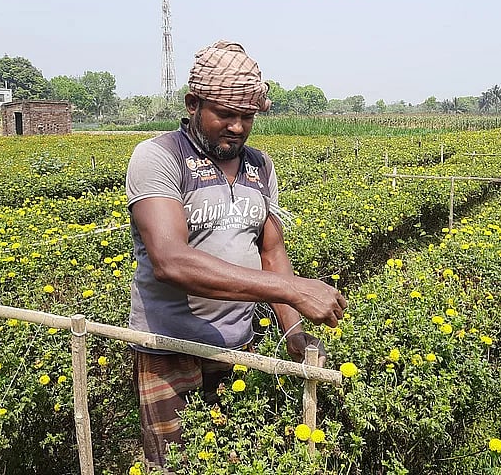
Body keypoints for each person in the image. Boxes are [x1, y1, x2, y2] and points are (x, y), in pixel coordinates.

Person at [125, 40, 347, 469]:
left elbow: (271, 251)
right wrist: (292, 288)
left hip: (237, 345)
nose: (238, 127)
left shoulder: (259, 166)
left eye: (247, 117)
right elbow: (170, 260)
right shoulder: (159, 157)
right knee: (176, 463)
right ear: (193, 103)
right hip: (170, 347)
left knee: (233, 456)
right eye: (225, 114)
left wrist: (293, 332)